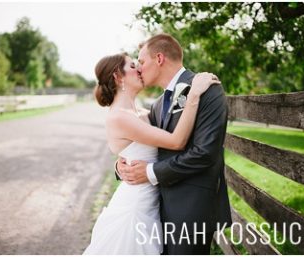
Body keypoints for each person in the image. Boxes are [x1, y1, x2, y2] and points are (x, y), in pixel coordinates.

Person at [83, 48, 221, 254]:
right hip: (135, 208)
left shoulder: (145, 113)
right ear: (117, 76)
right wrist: (193, 95)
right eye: (132, 66)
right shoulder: (119, 117)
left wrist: (121, 164)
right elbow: (176, 141)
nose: (138, 68)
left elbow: (142, 145)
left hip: (155, 203)